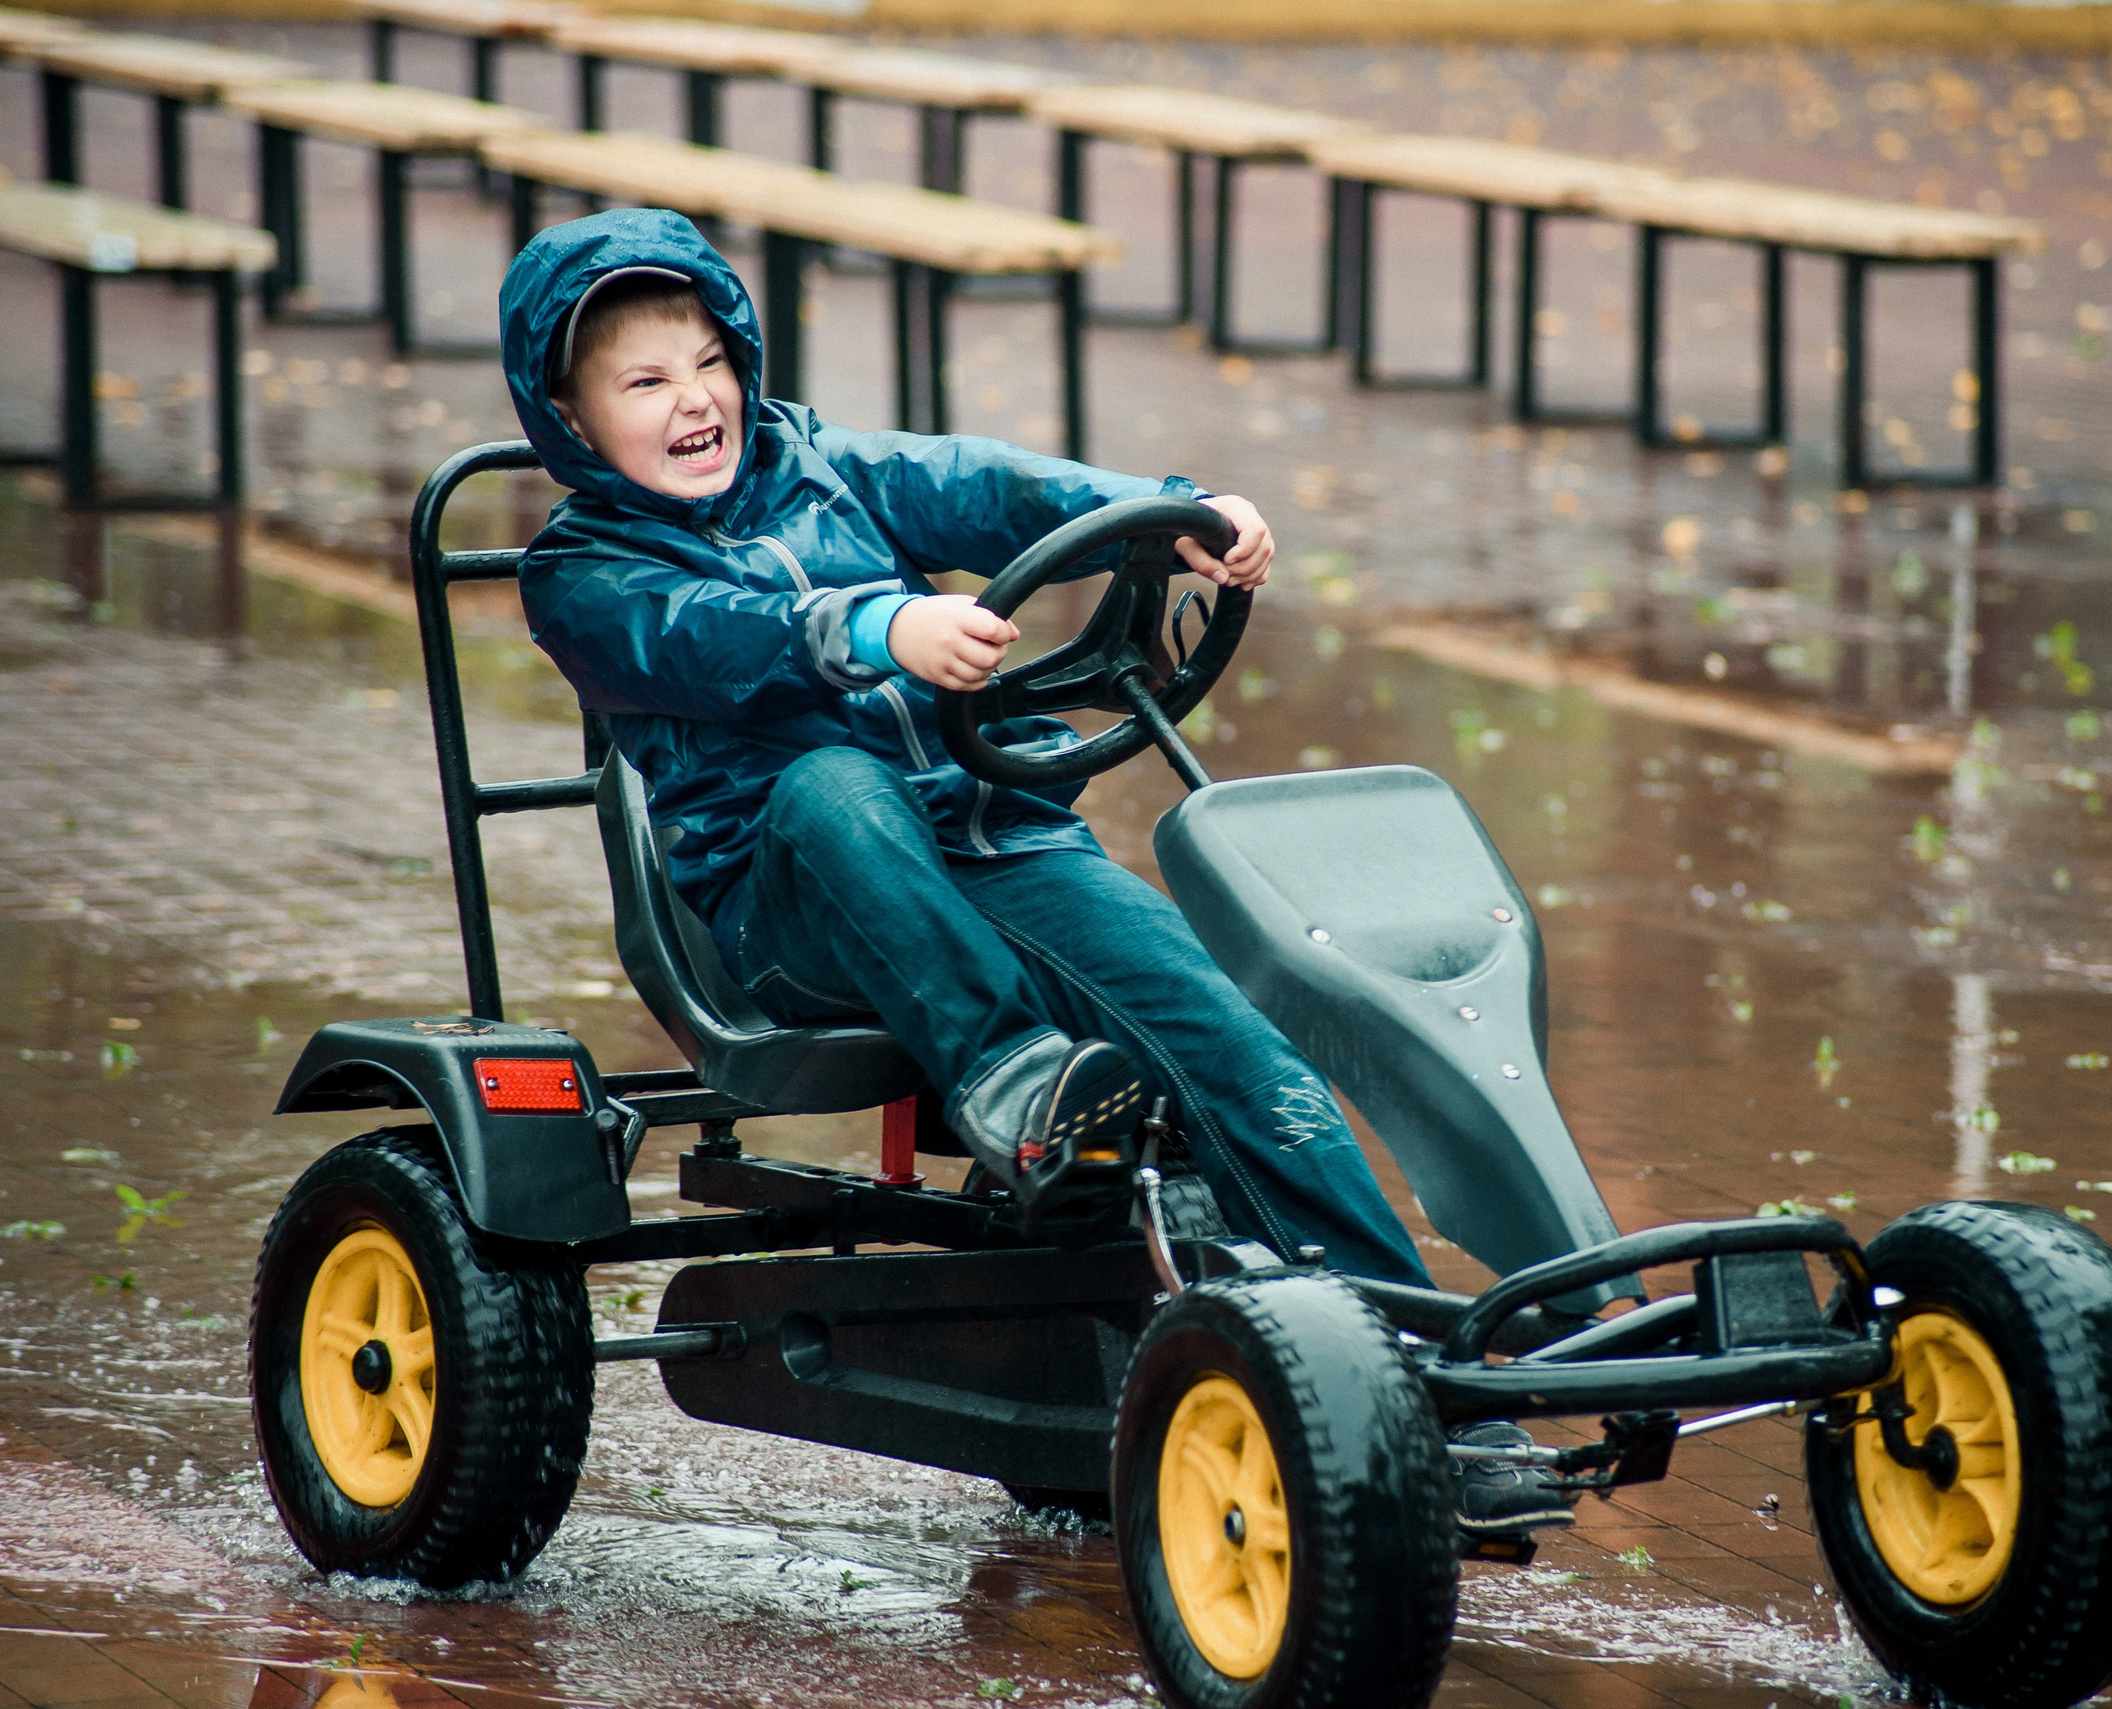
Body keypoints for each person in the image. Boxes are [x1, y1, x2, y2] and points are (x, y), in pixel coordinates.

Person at [498, 207, 1573, 1539]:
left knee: (1238, 1052)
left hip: (988, 835)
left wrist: (1162, 510)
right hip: (790, 909)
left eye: (707, 361)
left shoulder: (823, 464)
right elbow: (713, 638)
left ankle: (1426, 1395)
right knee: (831, 787)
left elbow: (988, 482)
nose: (694, 400)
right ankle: (1007, 1077)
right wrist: (883, 622)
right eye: (644, 382)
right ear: (569, 414)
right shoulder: (581, 572)